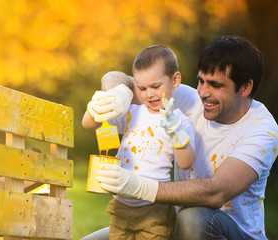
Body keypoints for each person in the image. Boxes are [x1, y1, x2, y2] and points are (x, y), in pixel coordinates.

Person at [84, 36, 278, 240]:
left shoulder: (263, 129)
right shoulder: (191, 99)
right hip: (174, 226)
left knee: (194, 217)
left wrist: (137, 186)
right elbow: (118, 77)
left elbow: (216, 192)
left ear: (245, 88)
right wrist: (119, 92)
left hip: (233, 233)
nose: (203, 92)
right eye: (201, 81)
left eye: (216, 85)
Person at [83, 45, 196, 239]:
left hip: (154, 208)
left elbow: (186, 162)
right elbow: (88, 125)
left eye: (155, 86)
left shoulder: (179, 121)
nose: (149, 94)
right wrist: (95, 108)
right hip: (121, 206)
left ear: (175, 80)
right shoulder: (132, 112)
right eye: (142, 88)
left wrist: (177, 134)